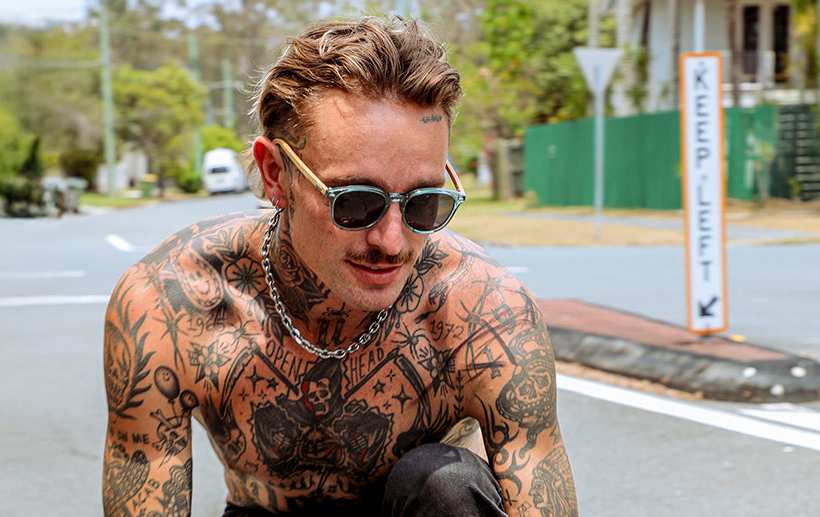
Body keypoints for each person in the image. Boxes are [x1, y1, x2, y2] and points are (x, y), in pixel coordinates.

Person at [101, 16, 577, 517]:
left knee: (445, 482)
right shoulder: (171, 302)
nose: (392, 241)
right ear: (275, 175)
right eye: (355, 202)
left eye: (423, 203)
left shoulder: (484, 308)